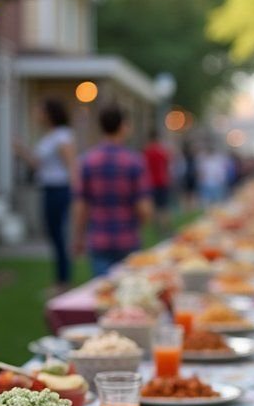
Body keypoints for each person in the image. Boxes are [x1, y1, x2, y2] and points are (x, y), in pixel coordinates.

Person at [73, 104, 152, 277]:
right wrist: (142, 222)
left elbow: (81, 204)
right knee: (128, 295)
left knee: (104, 293)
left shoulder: (88, 161)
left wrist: (78, 237)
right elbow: (144, 208)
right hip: (127, 237)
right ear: (124, 126)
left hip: (99, 237)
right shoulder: (134, 162)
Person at [15, 100, 76, 291]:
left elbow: (71, 165)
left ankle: (63, 281)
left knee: (59, 235)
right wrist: (22, 151)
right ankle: (60, 280)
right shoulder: (48, 137)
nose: (36, 115)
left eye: (40, 111)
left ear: (50, 113)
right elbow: (38, 164)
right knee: (53, 234)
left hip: (60, 189)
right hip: (49, 188)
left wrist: (77, 193)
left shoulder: (62, 136)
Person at [143, 126, 172, 226]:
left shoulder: (147, 151)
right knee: (163, 206)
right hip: (162, 181)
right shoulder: (162, 151)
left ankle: (156, 226)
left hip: (150, 182)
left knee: (153, 206)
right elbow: (167, 165)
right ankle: (164, 225)